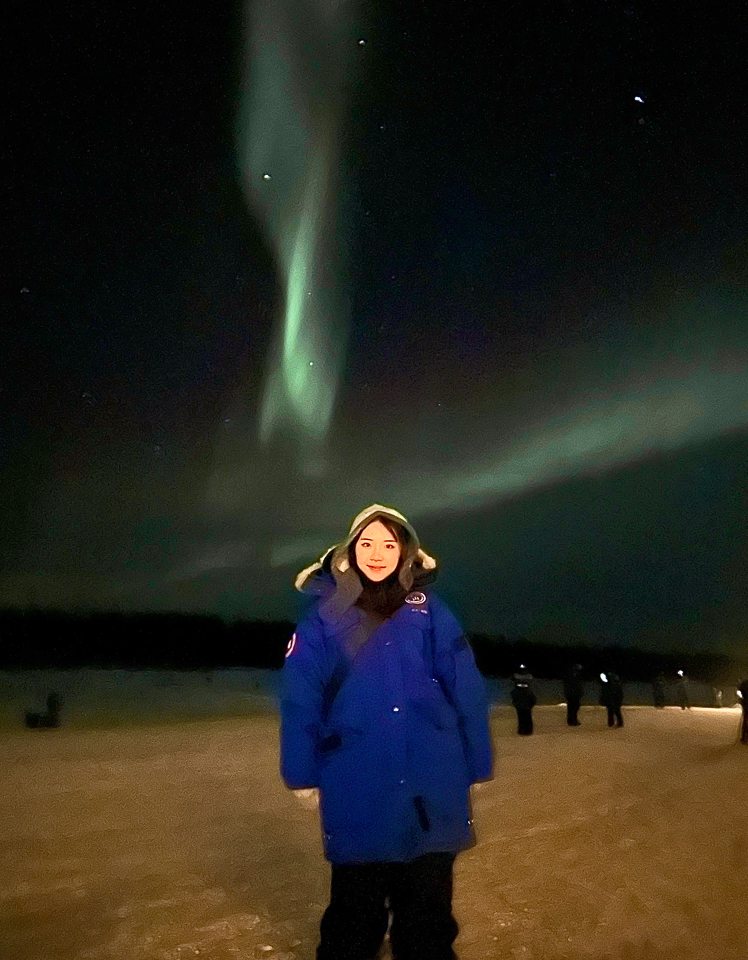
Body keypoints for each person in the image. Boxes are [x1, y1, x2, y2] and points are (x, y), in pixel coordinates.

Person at [280, 504, 493, 960]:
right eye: (367, 543)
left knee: (428, 918)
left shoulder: (430, 611)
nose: (377, 554)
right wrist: (300, 772)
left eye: (389, 544)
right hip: (357, 777)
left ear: (406, 552)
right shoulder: (323, 617)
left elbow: (466, 686)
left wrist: (478, 760)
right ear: (349, 552)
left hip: (431, 776)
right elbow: (300, 698)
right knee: (353, 920)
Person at [510, 666, 537, 735]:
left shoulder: (517, 676)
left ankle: (524, 730)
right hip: (524, 695)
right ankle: (526, 730)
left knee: (523, 715)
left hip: (522, 695)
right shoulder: (529, 677)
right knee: (525, 715)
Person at [738, 679, 748, 745]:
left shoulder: (745, 683)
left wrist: (742, 698)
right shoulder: (745, 683)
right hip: (746, 703)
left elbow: (740, 692)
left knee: (745, 719)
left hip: (746, 703)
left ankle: (744, 738)